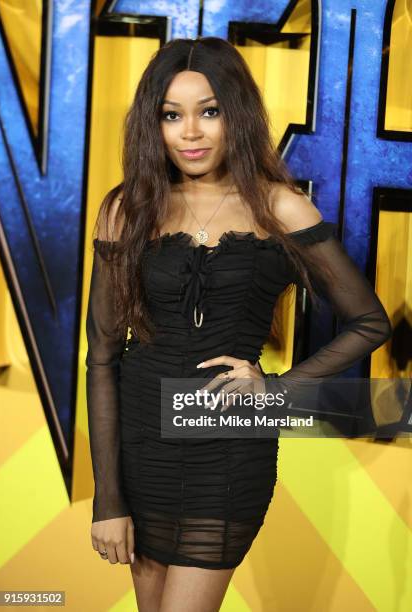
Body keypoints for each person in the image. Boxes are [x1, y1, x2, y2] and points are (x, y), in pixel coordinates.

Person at [85, 37, 392, 612]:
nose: (191, 132)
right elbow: (102, 355)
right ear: (154, 125)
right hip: (139, 452)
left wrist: (275, 391)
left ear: (237, 114)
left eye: (209, 111)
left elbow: (368, 321)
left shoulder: (281, 207)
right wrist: (107, 500)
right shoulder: (125, 208)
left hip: (227, 451)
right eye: (172, 116)